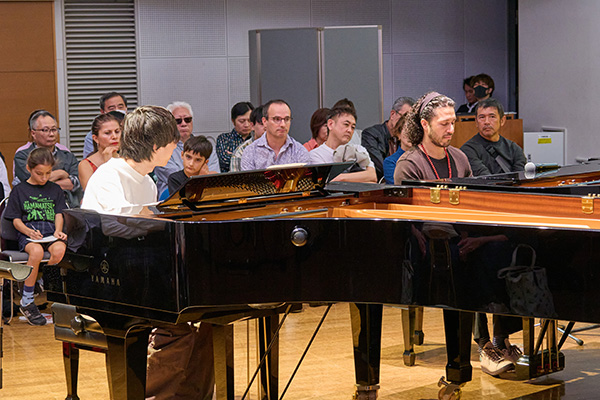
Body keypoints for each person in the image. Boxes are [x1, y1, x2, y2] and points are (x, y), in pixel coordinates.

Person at [81, 106, 214, 399]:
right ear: (155, 147)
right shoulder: (108, 176)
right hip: (108, 279)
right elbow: (113, 227)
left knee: (208, 323)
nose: (175, 149)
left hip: (142, 274)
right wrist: (152, 217)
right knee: (177, 329)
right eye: (172, 144)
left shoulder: (148, 182)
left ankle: (192, 396)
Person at [4, 147, 67, 325]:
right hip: (29, 233)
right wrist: (28, 231)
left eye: (48, 173)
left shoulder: (55, 189)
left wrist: (58, 230)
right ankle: (27, 300)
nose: (44, 178)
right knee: (37, 252)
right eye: (39, 173)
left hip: (50, 233)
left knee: (60, 249)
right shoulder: (19, 190)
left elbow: (59, 214)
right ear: (29, 169)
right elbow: (15, 220)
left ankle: (45, 285)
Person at [393, 92, 472, 183]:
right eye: (444, 124)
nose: (451, 130)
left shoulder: (460, 158)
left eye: (453, 123)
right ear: (425, 124)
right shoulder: (409, 164)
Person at [14, 110, 82, 208]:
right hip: (33, 207)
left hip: (66, 207)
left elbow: (75, 184)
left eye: (54, 129)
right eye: (45, 130)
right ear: (33, 133)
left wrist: (45, 182)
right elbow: (32, 183)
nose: (51, 134)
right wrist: (62, 174)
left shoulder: (68, 156)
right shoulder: (22, 156)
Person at [153, 101, 219, 196]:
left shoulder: (205, 146)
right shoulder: (162, 148)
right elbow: (179, 178)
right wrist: (201, 175)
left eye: (187, 119)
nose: (184, 124)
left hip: (206, 194)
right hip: (172, 196)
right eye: (178, 121)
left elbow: (215, 177)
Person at [309, 106, 376, 183]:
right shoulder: (316, 155)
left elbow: (372, 176)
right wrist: (360, 178)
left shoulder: (359, 149)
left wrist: (340, 178)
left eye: (353, 127)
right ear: (330, 124)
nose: (349, 130)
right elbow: (324, 182)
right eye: (346, 124)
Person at [461, 98, 526, 176]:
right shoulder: (468, 150)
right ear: (476, 122)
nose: (487, 122)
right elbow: (484, 177)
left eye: (492, 116)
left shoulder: (514, 148)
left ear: (502, 120)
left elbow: (520, 177)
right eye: (482, 117)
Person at [241, 99, 310, 170]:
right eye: (277, 119)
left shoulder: (299, 151)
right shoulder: (251, 151)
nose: (283, 124)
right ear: (264, 121)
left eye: (286, 119)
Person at [362, 97, 415, 181]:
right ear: (393, 114)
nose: (408, 123)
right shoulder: (371, 134)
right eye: (405, 117)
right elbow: (379, 166)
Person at [78, 112, 123, 190]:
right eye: (107, 133)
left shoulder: (128, 159)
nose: (114, 136)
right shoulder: (86, 165)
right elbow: (94, 193)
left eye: (117, 131)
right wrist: (108, 165)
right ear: (96, 138)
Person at [83, 92, 128, 158]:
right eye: (111, 108)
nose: (117, 110)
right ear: (102, 111)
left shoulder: (135, 131)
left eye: (120, 107)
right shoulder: (91, 136)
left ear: (126, 108)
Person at [216, 102, 254, 173]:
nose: (246, 125)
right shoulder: (224, 139)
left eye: (249, 121)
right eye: (242, 121)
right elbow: (224, 161)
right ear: (233, 121)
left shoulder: (256, 139)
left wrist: (233, 155)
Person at [229, 106, 265, 172]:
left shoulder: (282, 147)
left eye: (269, 124)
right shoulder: (241, 152)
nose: (266, 127)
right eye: (262, 124)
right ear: (252, 126)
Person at [382, 114, 410, 184]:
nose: (411, 134)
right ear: (399, 134)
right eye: (407, 130)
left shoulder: (424, 158)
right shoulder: (390, 162)